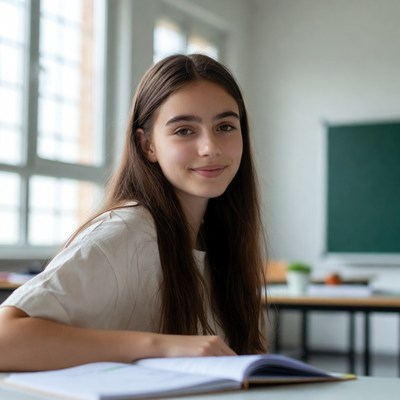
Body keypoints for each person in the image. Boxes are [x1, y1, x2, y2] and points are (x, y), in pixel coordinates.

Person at [0, 54, 267, 371]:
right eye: (184, 130)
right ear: (147, 146)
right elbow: (5, 337)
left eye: (225, 126)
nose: (211, 147)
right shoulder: (128, 231)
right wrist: (160, 346)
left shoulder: (219, 239)